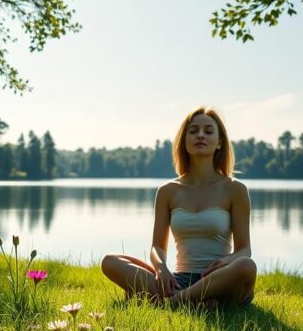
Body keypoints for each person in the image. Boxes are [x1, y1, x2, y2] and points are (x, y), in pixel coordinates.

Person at [100, 107, 256, 308]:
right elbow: (157, 247)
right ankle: (196, 302)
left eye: (208, 131)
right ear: (184, 141)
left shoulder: (235, 189)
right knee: (110, 261)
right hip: (178, 280)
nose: (200, 135)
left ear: (219, 143)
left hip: (220, 279)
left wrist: (227, 262)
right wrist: (161, 269)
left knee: (246, 266)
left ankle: (174, 302)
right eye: (193, 131)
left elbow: (245, 250)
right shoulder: (168, 191)